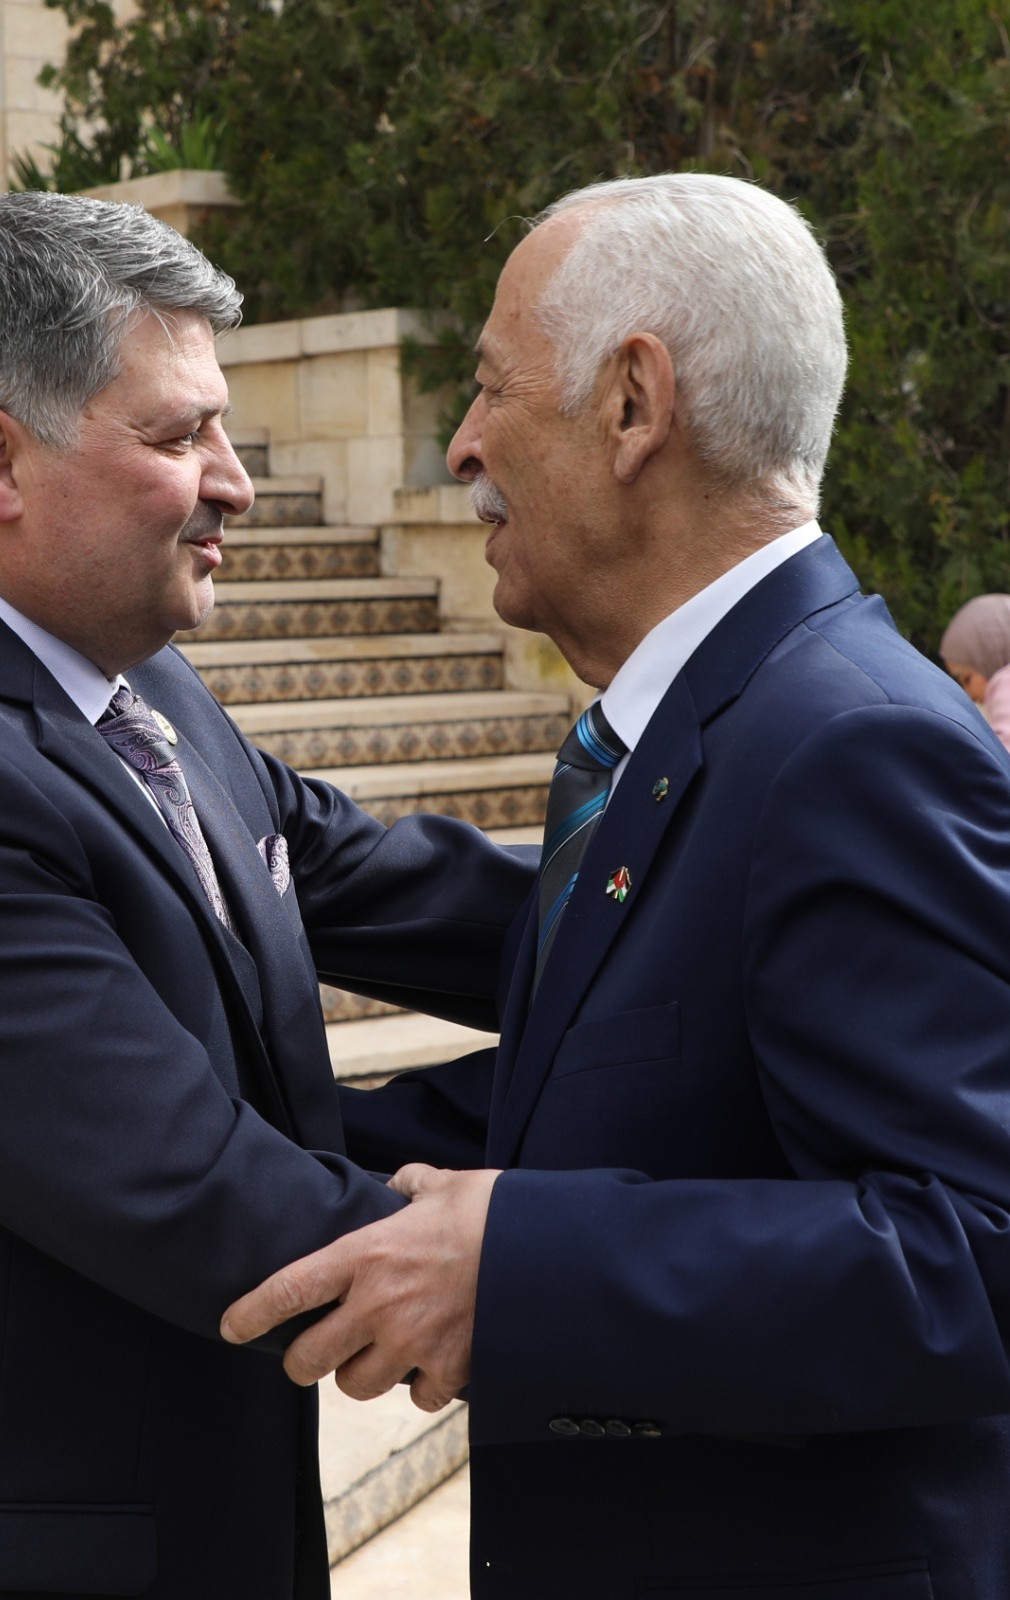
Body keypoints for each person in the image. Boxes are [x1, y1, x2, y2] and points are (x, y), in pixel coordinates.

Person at [0, 192, 533, 1600]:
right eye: (181, 437)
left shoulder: (124, 676)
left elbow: (379, 883)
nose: (237, 482)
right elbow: (199, 1188)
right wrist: (580, 1259)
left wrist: (703, 913)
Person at [224, 173, 1010, 1599]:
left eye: (491, 387)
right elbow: (607, 1102)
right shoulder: (696, 728)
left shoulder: (850, 744)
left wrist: (518, 1268)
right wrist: (217, 1133)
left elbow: (972, 1253)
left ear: (633, 405)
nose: (463, 443)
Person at [940, 592, 1010, 753]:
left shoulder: (1005, 684)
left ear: (992, 654)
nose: (969, 695)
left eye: (967, 679)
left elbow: (1002, 759)